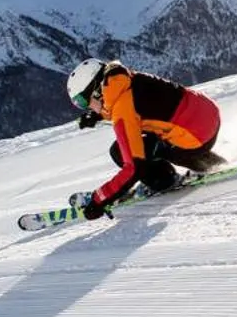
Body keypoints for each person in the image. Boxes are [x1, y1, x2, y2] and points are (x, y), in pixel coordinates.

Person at [66, 58, 226, 218]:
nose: (85, 106)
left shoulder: (122, 108)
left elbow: (134, 167)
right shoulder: (122, 78)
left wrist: (99, 200)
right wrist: (97, 115)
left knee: (120, 152)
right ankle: (213, 164)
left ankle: (166, 181)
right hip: (207, 116)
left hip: (195, 137)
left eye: (82, 101)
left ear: (95, 90)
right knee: (156, 136)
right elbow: (128, 103)